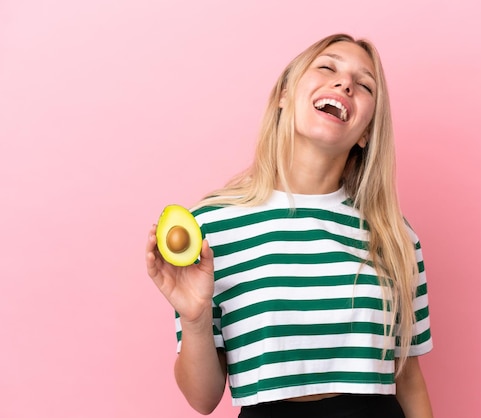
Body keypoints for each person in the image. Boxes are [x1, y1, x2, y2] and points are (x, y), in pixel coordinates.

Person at [146, 33, 434, 418]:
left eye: (364, 85)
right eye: (327, 67)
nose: (344, 83)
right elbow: (203, 399)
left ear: (366, 132)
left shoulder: (395, 236)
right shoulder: (209, 227)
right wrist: (195, 319)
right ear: (284, 94)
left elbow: (409, 378)